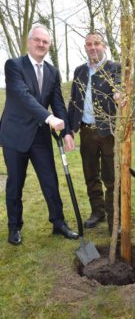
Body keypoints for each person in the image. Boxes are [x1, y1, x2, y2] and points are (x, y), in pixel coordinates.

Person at [0, 24, 79, 245]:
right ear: (29, 41)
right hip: (15, 136)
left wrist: (67, 132)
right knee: (15, 183)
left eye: (45, 42)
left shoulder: (52, 72)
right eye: (38, 40)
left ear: (49, 45)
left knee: (50, 180)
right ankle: (14, 227)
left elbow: (58, 103)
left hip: (40, 137)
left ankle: (58, 222)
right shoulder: (14, 66)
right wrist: (49, 118)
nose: (41, 44)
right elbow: (22, 96)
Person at [68, 31, 121, 234]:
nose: (93, 47)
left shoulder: (114, 68)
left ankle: (114, 219)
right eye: (89, 44)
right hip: (86, 131)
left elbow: (119, 89)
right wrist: (70, 129)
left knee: (111, 178)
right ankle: (98, 212)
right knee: (91, 175)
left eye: (96, 43)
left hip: (108, 133)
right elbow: (74, 101)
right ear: (85, 48)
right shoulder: (80, 71)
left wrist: (119, 94)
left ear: (104, 46)